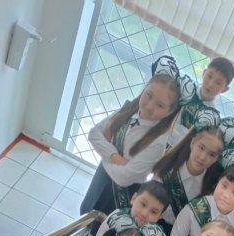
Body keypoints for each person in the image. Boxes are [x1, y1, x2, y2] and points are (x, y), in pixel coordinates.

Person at [80, 56, 191, 214]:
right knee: (85, 211)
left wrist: (105, 149)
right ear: (144, 89)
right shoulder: (129, 108)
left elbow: (123, 178)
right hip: (102, 177)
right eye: (149, 95)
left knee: (102, 224)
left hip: (121, 196)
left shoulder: (158, 142)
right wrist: (115, 157)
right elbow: (93, 134)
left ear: (170, 112)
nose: (150, 106)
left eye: (160, 105)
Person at [153, 115, 225, 227]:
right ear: (192, 143)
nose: (203, 157)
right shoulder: (168, 163)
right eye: (201, 147)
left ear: (216, 159)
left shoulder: (213, 186)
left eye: (211, 154)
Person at [167, 56, 234, 144]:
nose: (210, 84)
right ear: (204, 72)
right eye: (209, 76)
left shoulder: (212, 117)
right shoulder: (186, 88)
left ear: (225, 89)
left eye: (218, 83)